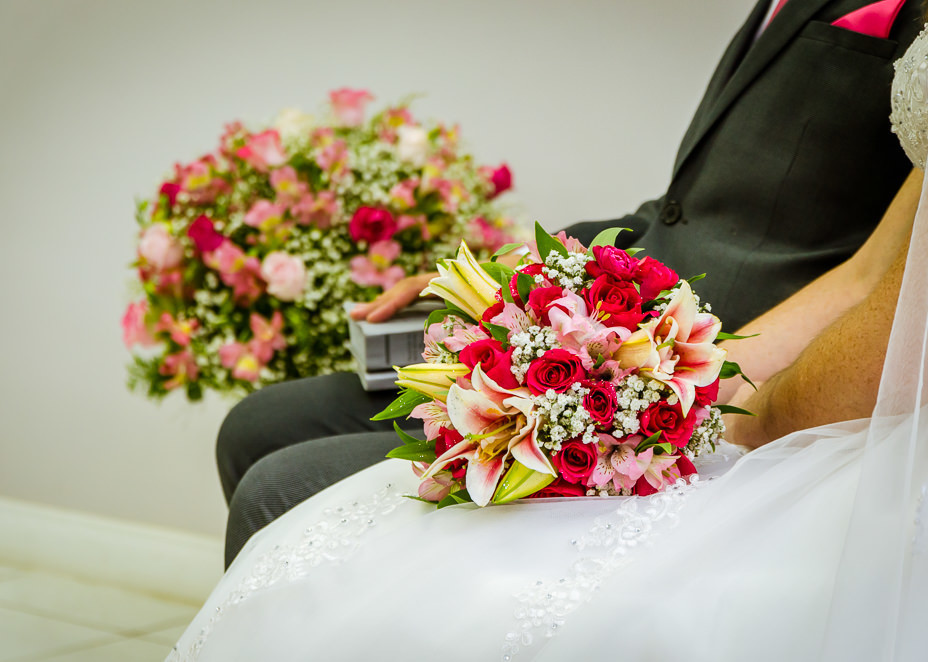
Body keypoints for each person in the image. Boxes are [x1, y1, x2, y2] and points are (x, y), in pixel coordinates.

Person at [167, 24, 928, 658]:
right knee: (257, 426)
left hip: (734, 362)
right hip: (644, 338)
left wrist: (699, 395)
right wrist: (505, 279)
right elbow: (831, 261)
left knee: (284, 486)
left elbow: (877, 305)